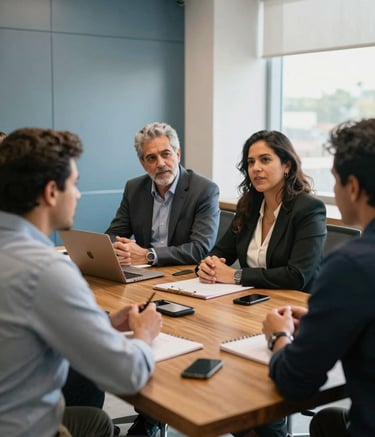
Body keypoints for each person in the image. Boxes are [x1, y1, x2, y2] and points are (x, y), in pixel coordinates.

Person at [0, 128, 162, 437]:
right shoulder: (46, 270)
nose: (78, 194)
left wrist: (98, 324)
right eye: (74, 184)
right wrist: (144, 335)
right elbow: (128, 376)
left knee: (96, 420)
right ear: (50, 192)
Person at [262, 119, 375, 436]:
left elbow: (296, 383)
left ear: (352, 187)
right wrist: (324, 318)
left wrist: (277, 336)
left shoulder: (351, 265)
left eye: (336, 181)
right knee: (328, 423)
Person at [197, 129, 326, 293]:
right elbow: (221, 252)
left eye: (265, 160)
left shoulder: (309, 209)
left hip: (294, 308)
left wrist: (237, 276)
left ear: (287, 165)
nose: (256, 168)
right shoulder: (248, 206)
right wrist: (207, 267)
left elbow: (296, 276)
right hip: (252, 301)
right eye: (251, 162)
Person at [106, 121, 220, 267]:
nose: (160, 163)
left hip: (182, 275)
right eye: (151, 158)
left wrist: (148, 255)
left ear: (177, 154)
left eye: (166, 154)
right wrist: (120, 248)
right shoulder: (134, 188)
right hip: (144, 272)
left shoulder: (204, 190)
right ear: (143, 163)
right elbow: (112, 235)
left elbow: (199, 249)